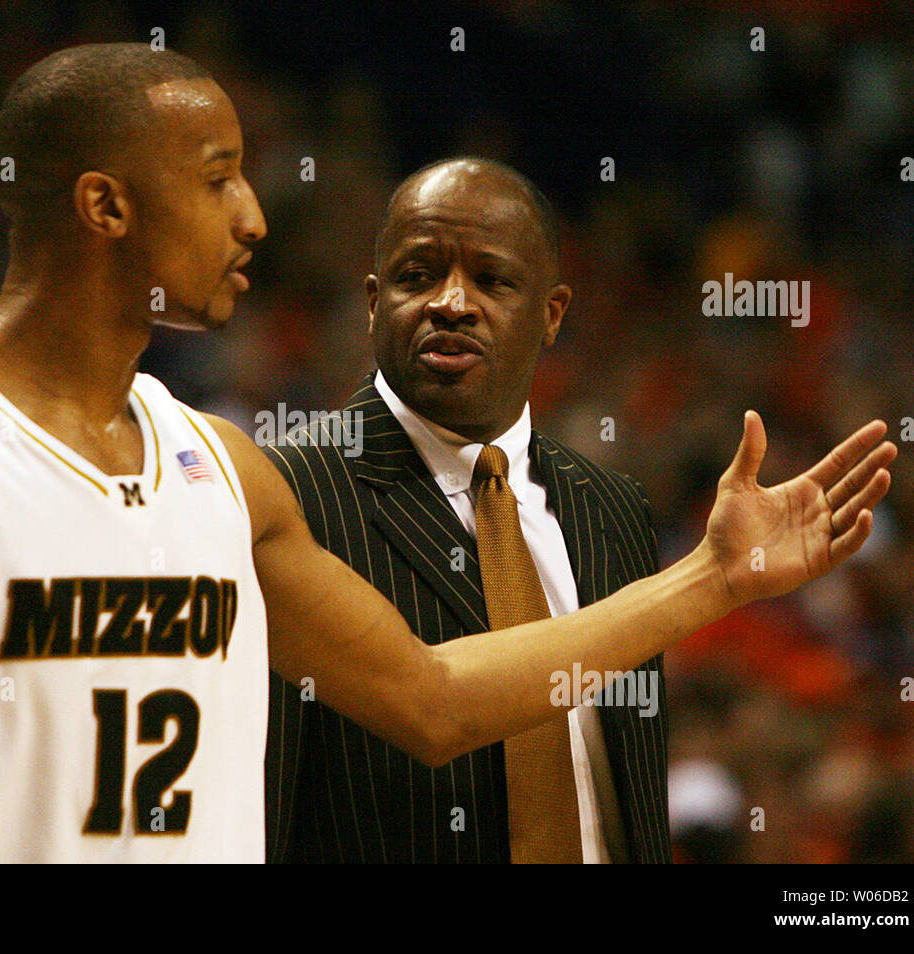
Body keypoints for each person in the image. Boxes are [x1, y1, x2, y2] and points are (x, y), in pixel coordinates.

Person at [0, 44, 894, 863]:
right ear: (105, 207)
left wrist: (713, 581)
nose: (255, 215)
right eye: (218, 177)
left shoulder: (220, 467)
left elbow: (431, 701)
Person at [266, 157, 689, 863]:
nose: (451, 303)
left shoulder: (613, 508)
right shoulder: (293, 490)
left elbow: (632, 790)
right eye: (416, 276)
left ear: (552, 313)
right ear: (373, 302)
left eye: (491, 280)